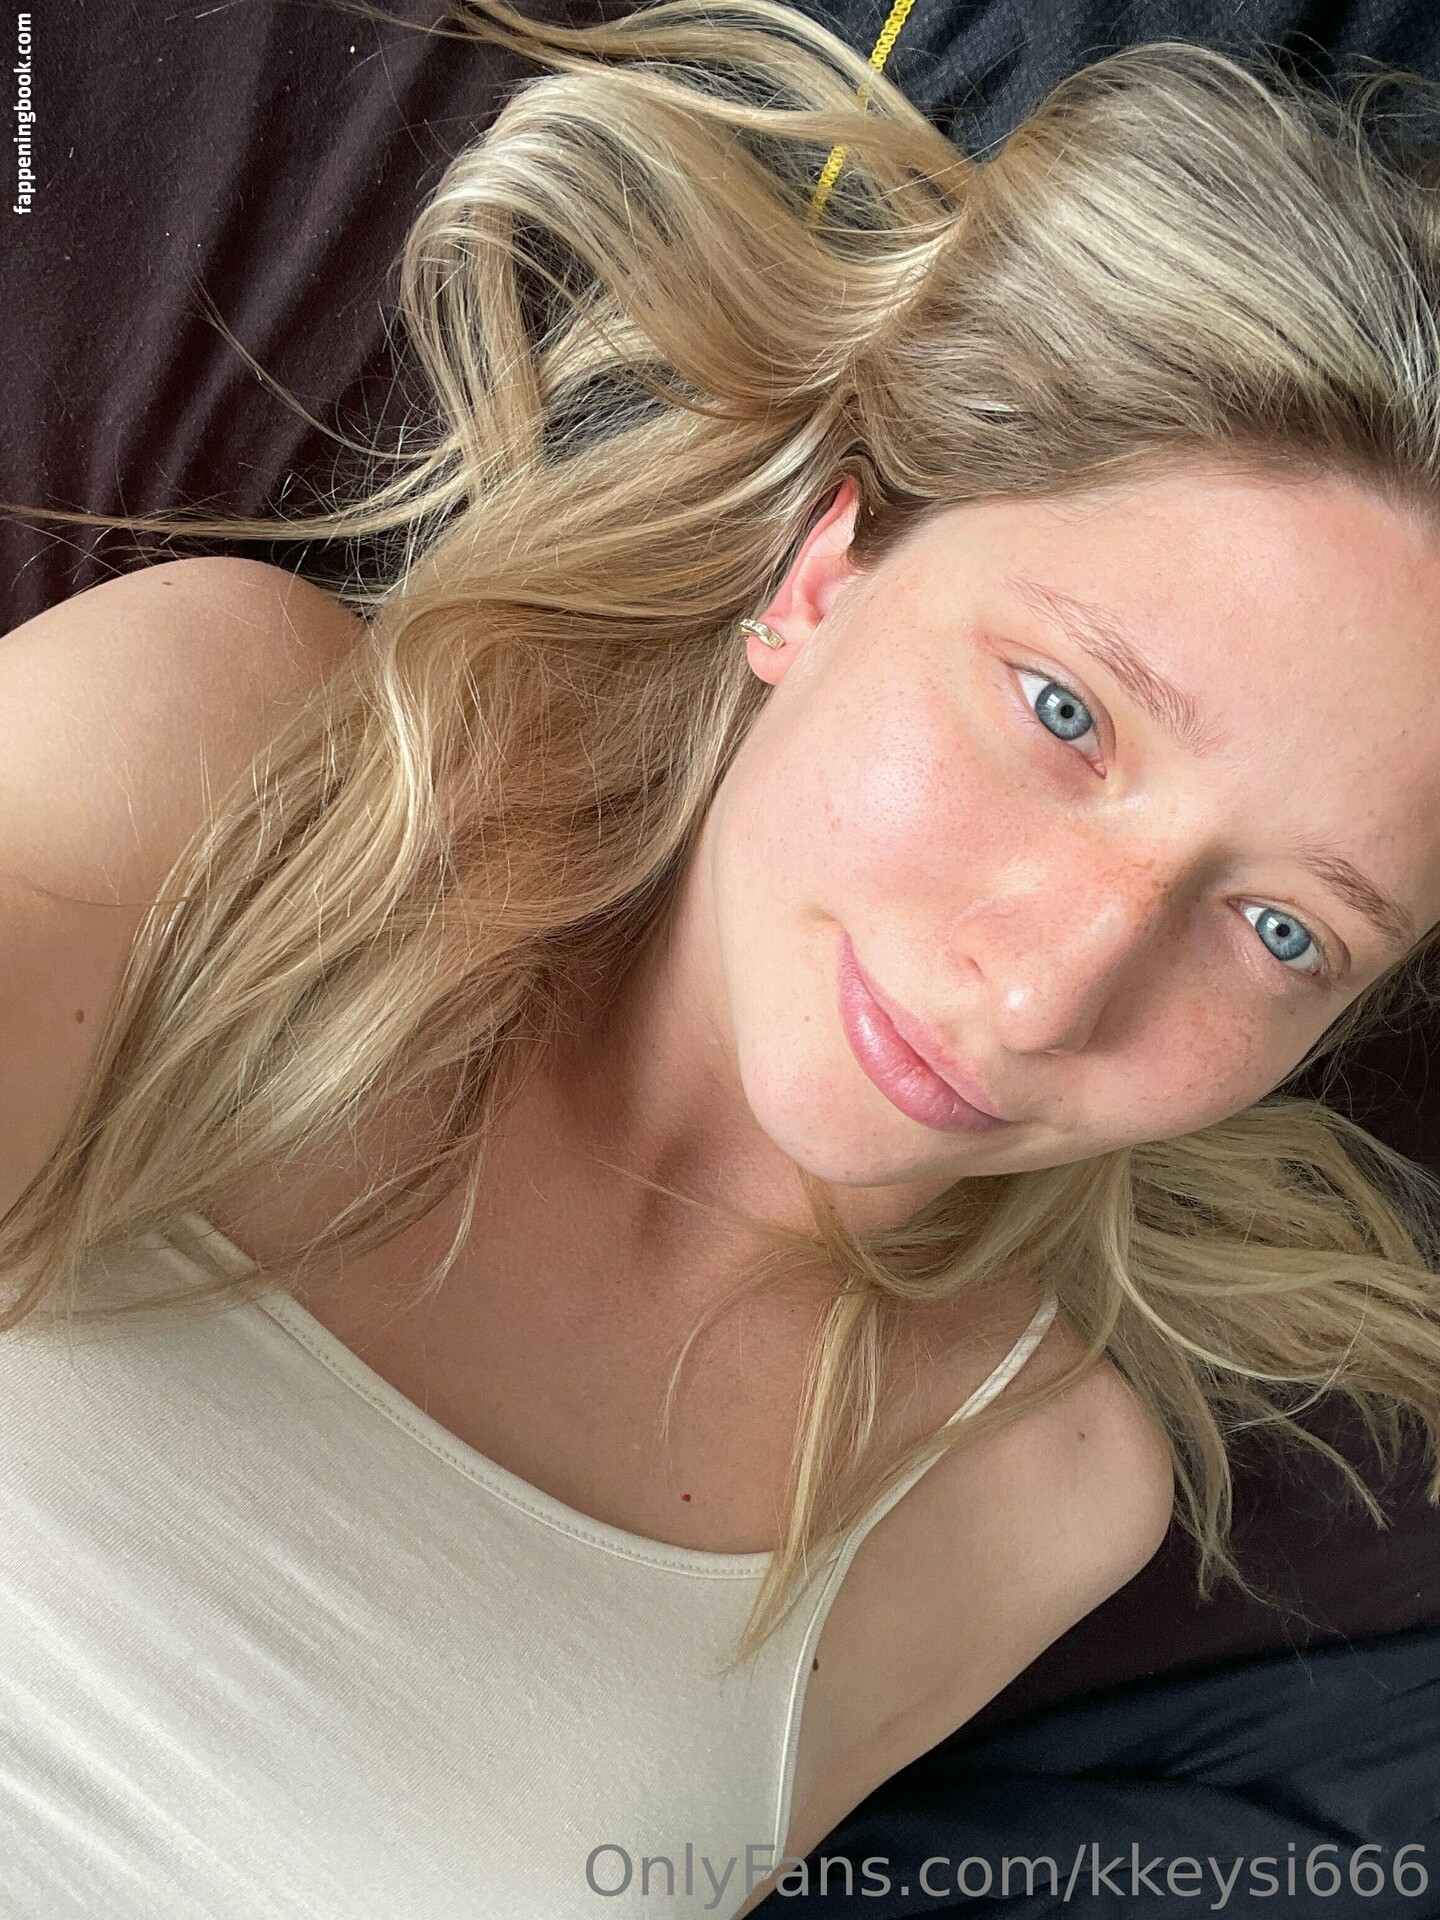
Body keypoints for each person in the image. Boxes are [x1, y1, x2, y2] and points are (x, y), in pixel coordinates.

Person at [2, 0, 1440, 1913]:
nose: (1045, 995)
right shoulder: (237, 771)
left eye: (1281, 931)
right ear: (827, 570)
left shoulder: (1030, 1488)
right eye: (1063, 713)